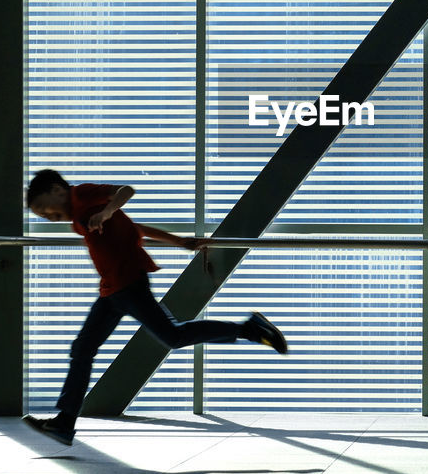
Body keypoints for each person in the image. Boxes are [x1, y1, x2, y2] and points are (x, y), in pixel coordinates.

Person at [22, 168, 286, 445]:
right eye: (41, 216)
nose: (47, 217)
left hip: (129, 284)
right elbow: (135, 228)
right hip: (111, 290)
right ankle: (64, 423)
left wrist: (106, 212)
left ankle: (251, 329)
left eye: (44, 209)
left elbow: (125, 191)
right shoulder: (78, 217)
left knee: (173, 336)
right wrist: (177, 241)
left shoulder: (82, 194)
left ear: (56, 190)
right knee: (83, 348)